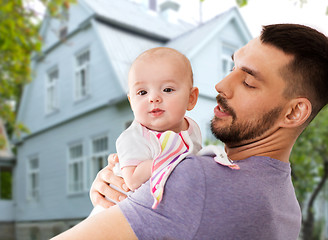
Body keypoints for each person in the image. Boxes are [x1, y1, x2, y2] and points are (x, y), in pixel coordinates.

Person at [52, 24, 328, 240]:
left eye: (247, 81)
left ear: (294, 112)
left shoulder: (194, 178)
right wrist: (125, 193)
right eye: (231, 67)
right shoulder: (288, 207)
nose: (221, 85)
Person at [90, 47, 202, 216]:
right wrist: (170, 160)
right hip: (112, 211)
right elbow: (132, 180)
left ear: (191, 98)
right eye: (142, 92)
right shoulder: (133, 137)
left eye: (167, 89)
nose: (153, 98)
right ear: (131, 102)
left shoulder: (192, 128)